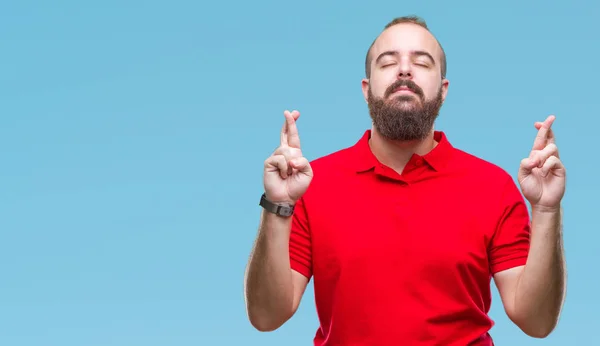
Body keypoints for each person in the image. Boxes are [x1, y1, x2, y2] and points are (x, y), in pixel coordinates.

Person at [243, 16, 567, 346]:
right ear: (366, 90)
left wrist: (546, 210)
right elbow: (267, 316)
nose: (404, 70)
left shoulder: (492, 186)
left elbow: (537, 322)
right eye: (388, 62)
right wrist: (278, 205)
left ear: (443, 91)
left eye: (421, 62)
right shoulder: (312, 184)